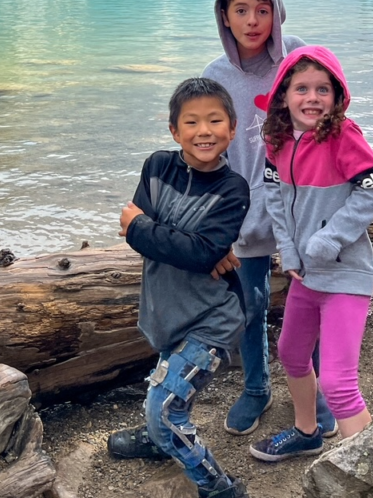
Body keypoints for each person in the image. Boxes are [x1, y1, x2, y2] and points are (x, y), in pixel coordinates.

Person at [202, 0, 335, 438]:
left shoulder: (298, 58)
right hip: (244, 211)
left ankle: (316, 392)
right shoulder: (215, 76)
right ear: (225, 15)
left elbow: (330, 116)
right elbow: (206, 149)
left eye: (263, 10)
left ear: (277, 11)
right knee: (250, 304)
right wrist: (212, 220)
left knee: (311, 301)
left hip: (303, 204)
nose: (253, 21)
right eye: (241, 10)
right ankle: (256, 388)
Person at [109, 77, 251, 498]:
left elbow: (191, 250)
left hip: (212, 317)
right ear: (174, 131)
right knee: (166, 383)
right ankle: (159, 441)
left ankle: (219, 487)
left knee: (166, 409)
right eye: (191, 122)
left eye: (214, 120)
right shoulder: (157, 167)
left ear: (232, 128)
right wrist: (187, 244)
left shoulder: (233, 190)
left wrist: (154, 232)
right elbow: (137, 233)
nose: (203, 131)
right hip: (168, 309)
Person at [249, 46, 373, 462]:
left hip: (345, 274)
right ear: (283, 94)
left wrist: (330, 238)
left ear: (336, 95)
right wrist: (288, 250)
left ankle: (369, 475)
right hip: (306, 276)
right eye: (302, 89)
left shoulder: (344, 136)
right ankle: (307, 432)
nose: (312, 98)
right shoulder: (276, 140)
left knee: (338, 383)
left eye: (322, 89)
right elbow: (275, 197)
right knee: (291, 354)